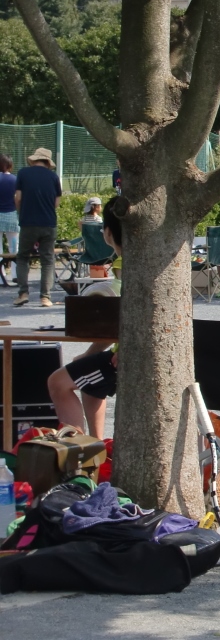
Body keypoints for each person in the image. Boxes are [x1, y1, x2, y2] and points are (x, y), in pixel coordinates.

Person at [47, 199, 122, 437]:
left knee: (58, 382)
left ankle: (77, 448)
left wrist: (91, 354)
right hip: (119, 351)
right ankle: (95, 444)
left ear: (108, 234)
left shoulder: (124, 264)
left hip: (121, 358)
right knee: (89, 381)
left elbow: (111, 323)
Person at [14, 147, 62, 307]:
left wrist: (22, 214)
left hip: (28, 222)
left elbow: (18, 198)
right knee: (47, 260)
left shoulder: (23, 173)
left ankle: (23, 294)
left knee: (22, 257)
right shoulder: (54, 177)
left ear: (34, 160)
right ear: (48, 163)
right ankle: (45, 297)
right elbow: (56, 203)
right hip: (48, 223)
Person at [0, 154, 18, 254]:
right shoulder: (15, 179)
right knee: (14, 247)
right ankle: (15, 270)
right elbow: (18, 198)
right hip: (11, 215)